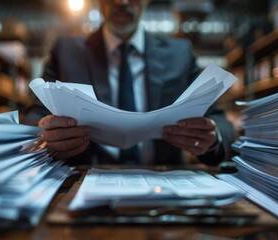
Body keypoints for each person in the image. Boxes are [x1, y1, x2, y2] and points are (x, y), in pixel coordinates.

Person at [23, 0, 234, 166]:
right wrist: (43, 135)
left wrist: (212, 137)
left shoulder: (180, 54)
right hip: (82, 178)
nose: (121, 1)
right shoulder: (66, 52)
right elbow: (34, 117)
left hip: (164, 181)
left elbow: (218, 121)